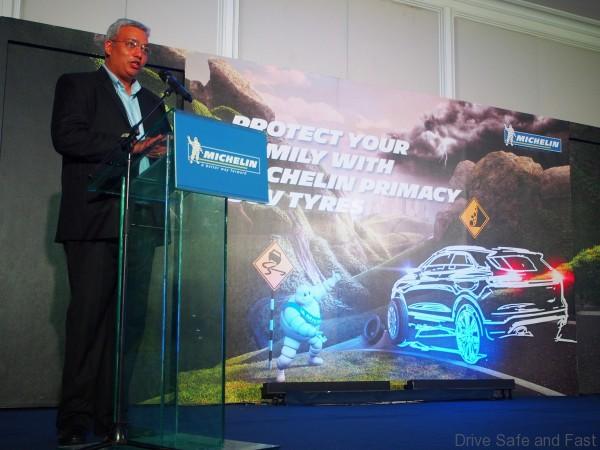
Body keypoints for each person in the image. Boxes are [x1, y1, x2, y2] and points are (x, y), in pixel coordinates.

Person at [51, 18, 170, 446]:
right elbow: (67, 137)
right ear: (109, 46)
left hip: (141, 224)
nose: (140, 53)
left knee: (128, 326)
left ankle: (112, 417)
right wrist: (128, 146)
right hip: (95, 221)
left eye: (145, 48)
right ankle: (74, 420)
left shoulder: (154, 103)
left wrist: (164, 155)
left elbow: (162, 159)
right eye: (132, 44)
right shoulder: (78, 86)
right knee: (88, 323)